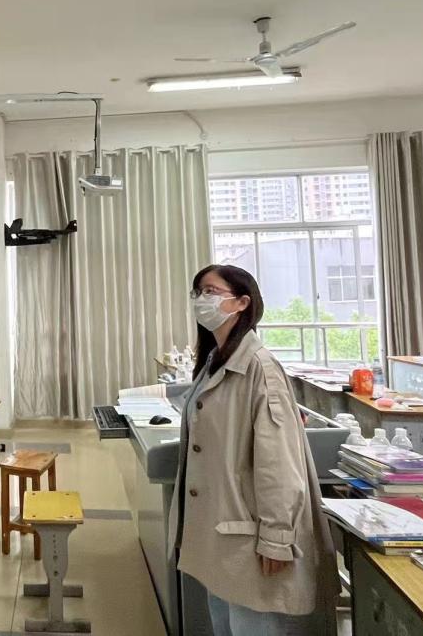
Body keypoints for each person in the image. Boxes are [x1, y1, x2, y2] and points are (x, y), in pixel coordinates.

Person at [167, 264, 339, 636]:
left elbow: (278, 462)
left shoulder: (260, 368)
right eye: (197, 293)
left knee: (253, 624)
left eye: (211, 292)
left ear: (242, 302)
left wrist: (276, 538)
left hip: (252, 536)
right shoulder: (216, 361)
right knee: (225, 624)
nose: (201, 301)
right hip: (224, 531)